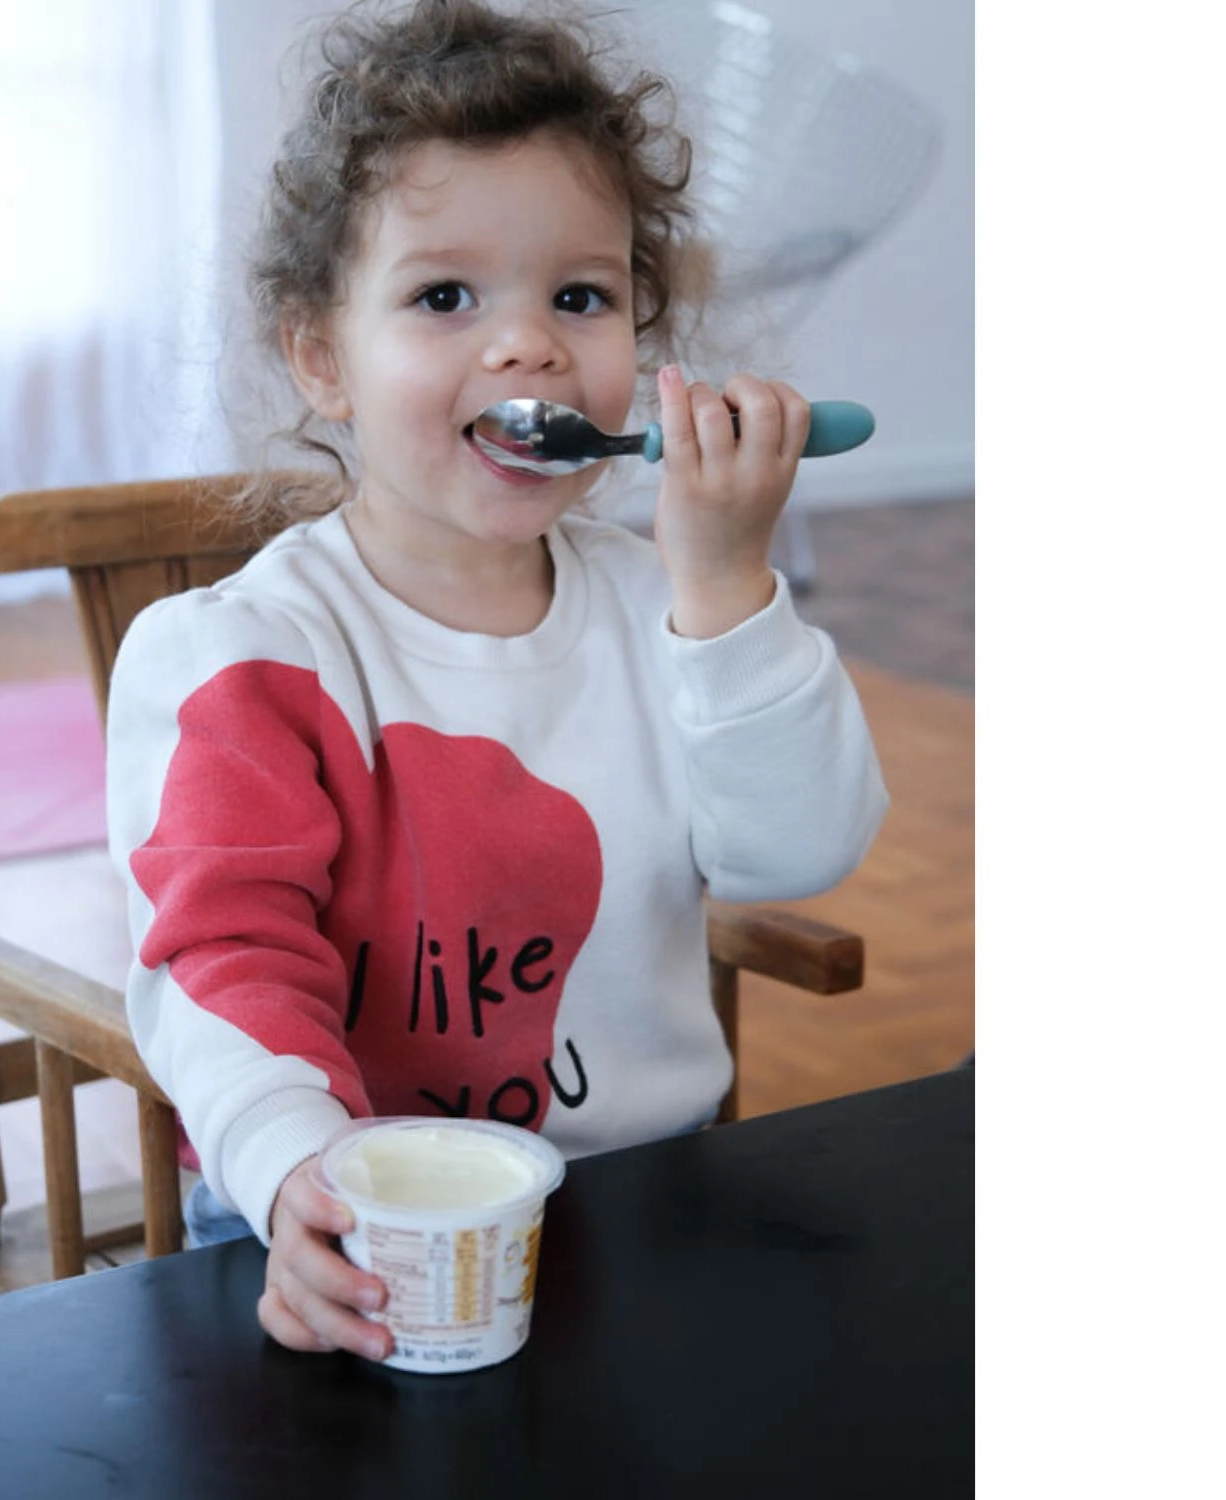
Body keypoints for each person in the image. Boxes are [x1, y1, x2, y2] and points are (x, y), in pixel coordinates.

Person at [106, 0, 888, 1363]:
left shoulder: (668, 606)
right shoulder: (244, 656)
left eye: (580, 297)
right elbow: (224, 957)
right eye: (443, 297)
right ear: (321, 356)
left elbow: (800, 851)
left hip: (640, 1204)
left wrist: (724, 586)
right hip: (345, 1224)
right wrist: (295, 1166)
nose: (528, 345)